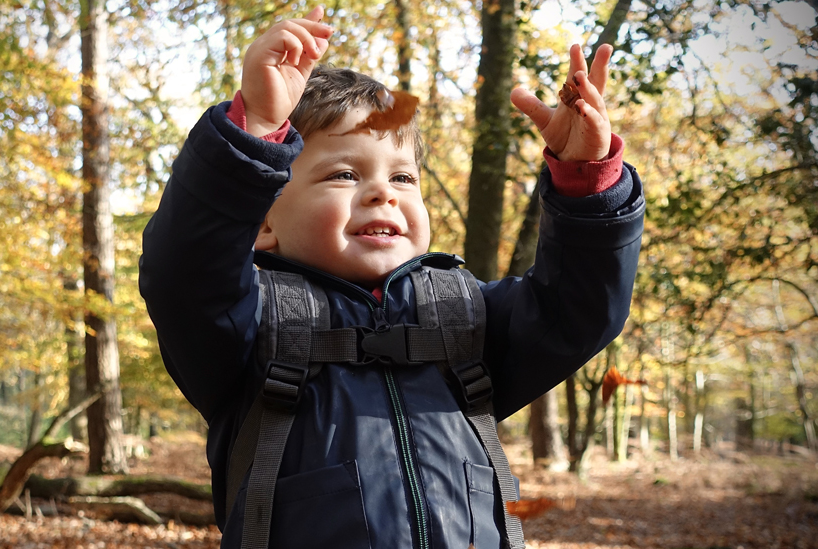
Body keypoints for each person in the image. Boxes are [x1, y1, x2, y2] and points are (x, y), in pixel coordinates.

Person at [139, 5, 644, 549]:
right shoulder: (248, 325)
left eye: (403, 176)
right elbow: (186, 273)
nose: (384, 192)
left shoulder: (463, 316)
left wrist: (587, 180)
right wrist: (254, 132)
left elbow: (580, 308)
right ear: (263, 222)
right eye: (344, 174)